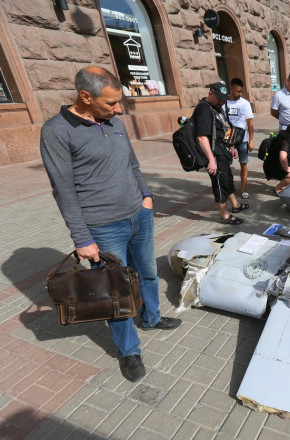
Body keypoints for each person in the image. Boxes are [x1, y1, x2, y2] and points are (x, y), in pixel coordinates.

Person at [40, 66, 182, 382]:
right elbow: (62, 189)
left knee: (147, 273)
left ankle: (152, 318)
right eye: (111, 103)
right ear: (85, 96)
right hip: (103, 226)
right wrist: (81, 238)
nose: (118, 110)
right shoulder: (57, 131)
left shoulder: (114, 123)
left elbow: (132, 164)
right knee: (114, 292)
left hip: (139, 216)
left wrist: (146, 196)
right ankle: (129, 351)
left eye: (119, 103)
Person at [193, 81, 249, 225]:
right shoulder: (204, 109)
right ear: (210, 93)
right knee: (219, 183)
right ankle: (224, 216)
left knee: (228, 179)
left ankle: (235, 205)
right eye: (220, 99)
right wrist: (211, 160)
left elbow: (224, 127)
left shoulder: (217, 106)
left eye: (224, 99)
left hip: (223, 150)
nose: (222, 102)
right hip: (214, 154)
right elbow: (201, 137)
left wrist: (231, 146)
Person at [226, 78, 254, 200]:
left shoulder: (245, 103)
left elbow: (250, 123)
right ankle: (229, 188)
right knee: (227, 165)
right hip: (227, 139)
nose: (240, 94)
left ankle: (243, 189)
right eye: (238, 91)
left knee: (244, 163)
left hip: (242, 138)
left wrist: (251, 140)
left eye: (241, 91)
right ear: (231, 88)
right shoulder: (223, 102)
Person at [264, 123, 290, 194]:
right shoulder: (284, 141)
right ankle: (277, 189)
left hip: (283, 165)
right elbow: (282, 158)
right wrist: (287, 169)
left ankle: (283, 185)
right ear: (289, 133)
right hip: (274, 167)